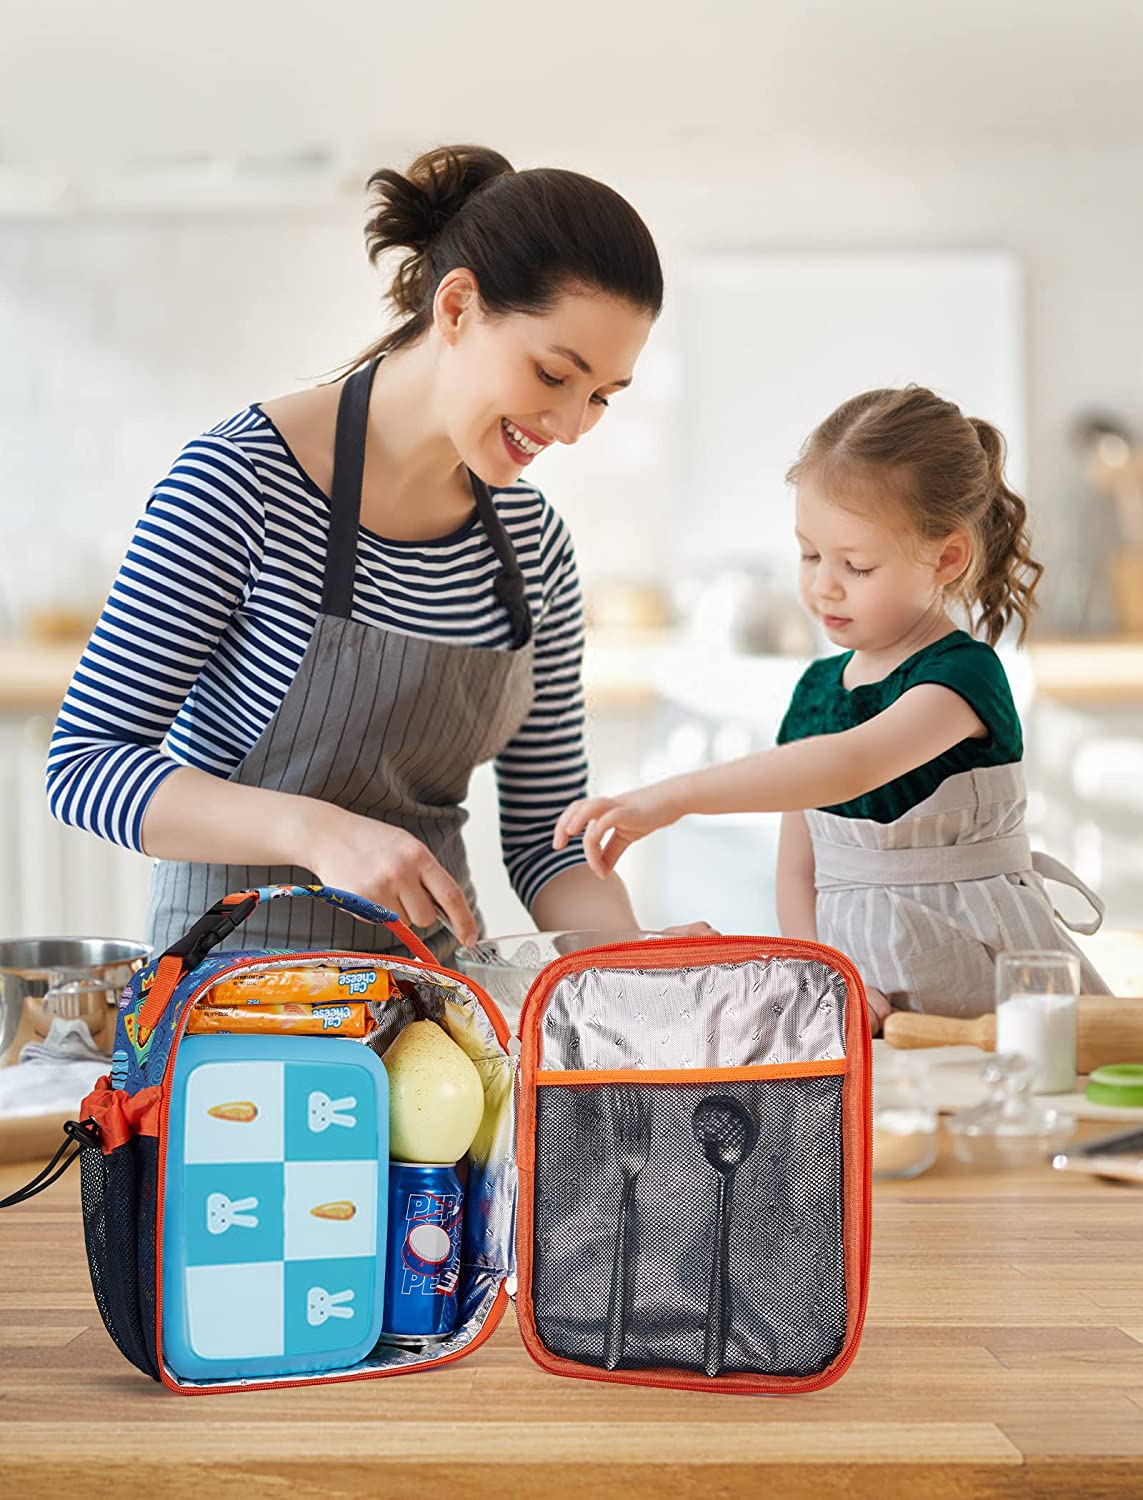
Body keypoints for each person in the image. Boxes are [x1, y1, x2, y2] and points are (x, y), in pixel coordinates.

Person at [47, 144, 708, 961]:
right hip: (227, 997)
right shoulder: (238, 480)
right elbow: (84, 768)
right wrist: (316, 832)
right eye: (551, 374)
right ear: (458, 307)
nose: (571, 426)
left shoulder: (533, 545)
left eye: (601, 396)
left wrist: (640, 961)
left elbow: (547, 836)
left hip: (431, 999)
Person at [554, 385, 1110, 1028]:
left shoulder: (961, 677)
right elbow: (798, 871)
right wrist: (828, 976)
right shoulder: (818, 690)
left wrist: (672, 798)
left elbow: (851, 764)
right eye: (810, 554)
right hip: (861, 1002)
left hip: (991, 991)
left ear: (947, 558)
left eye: (858, 565)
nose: (823, 585)